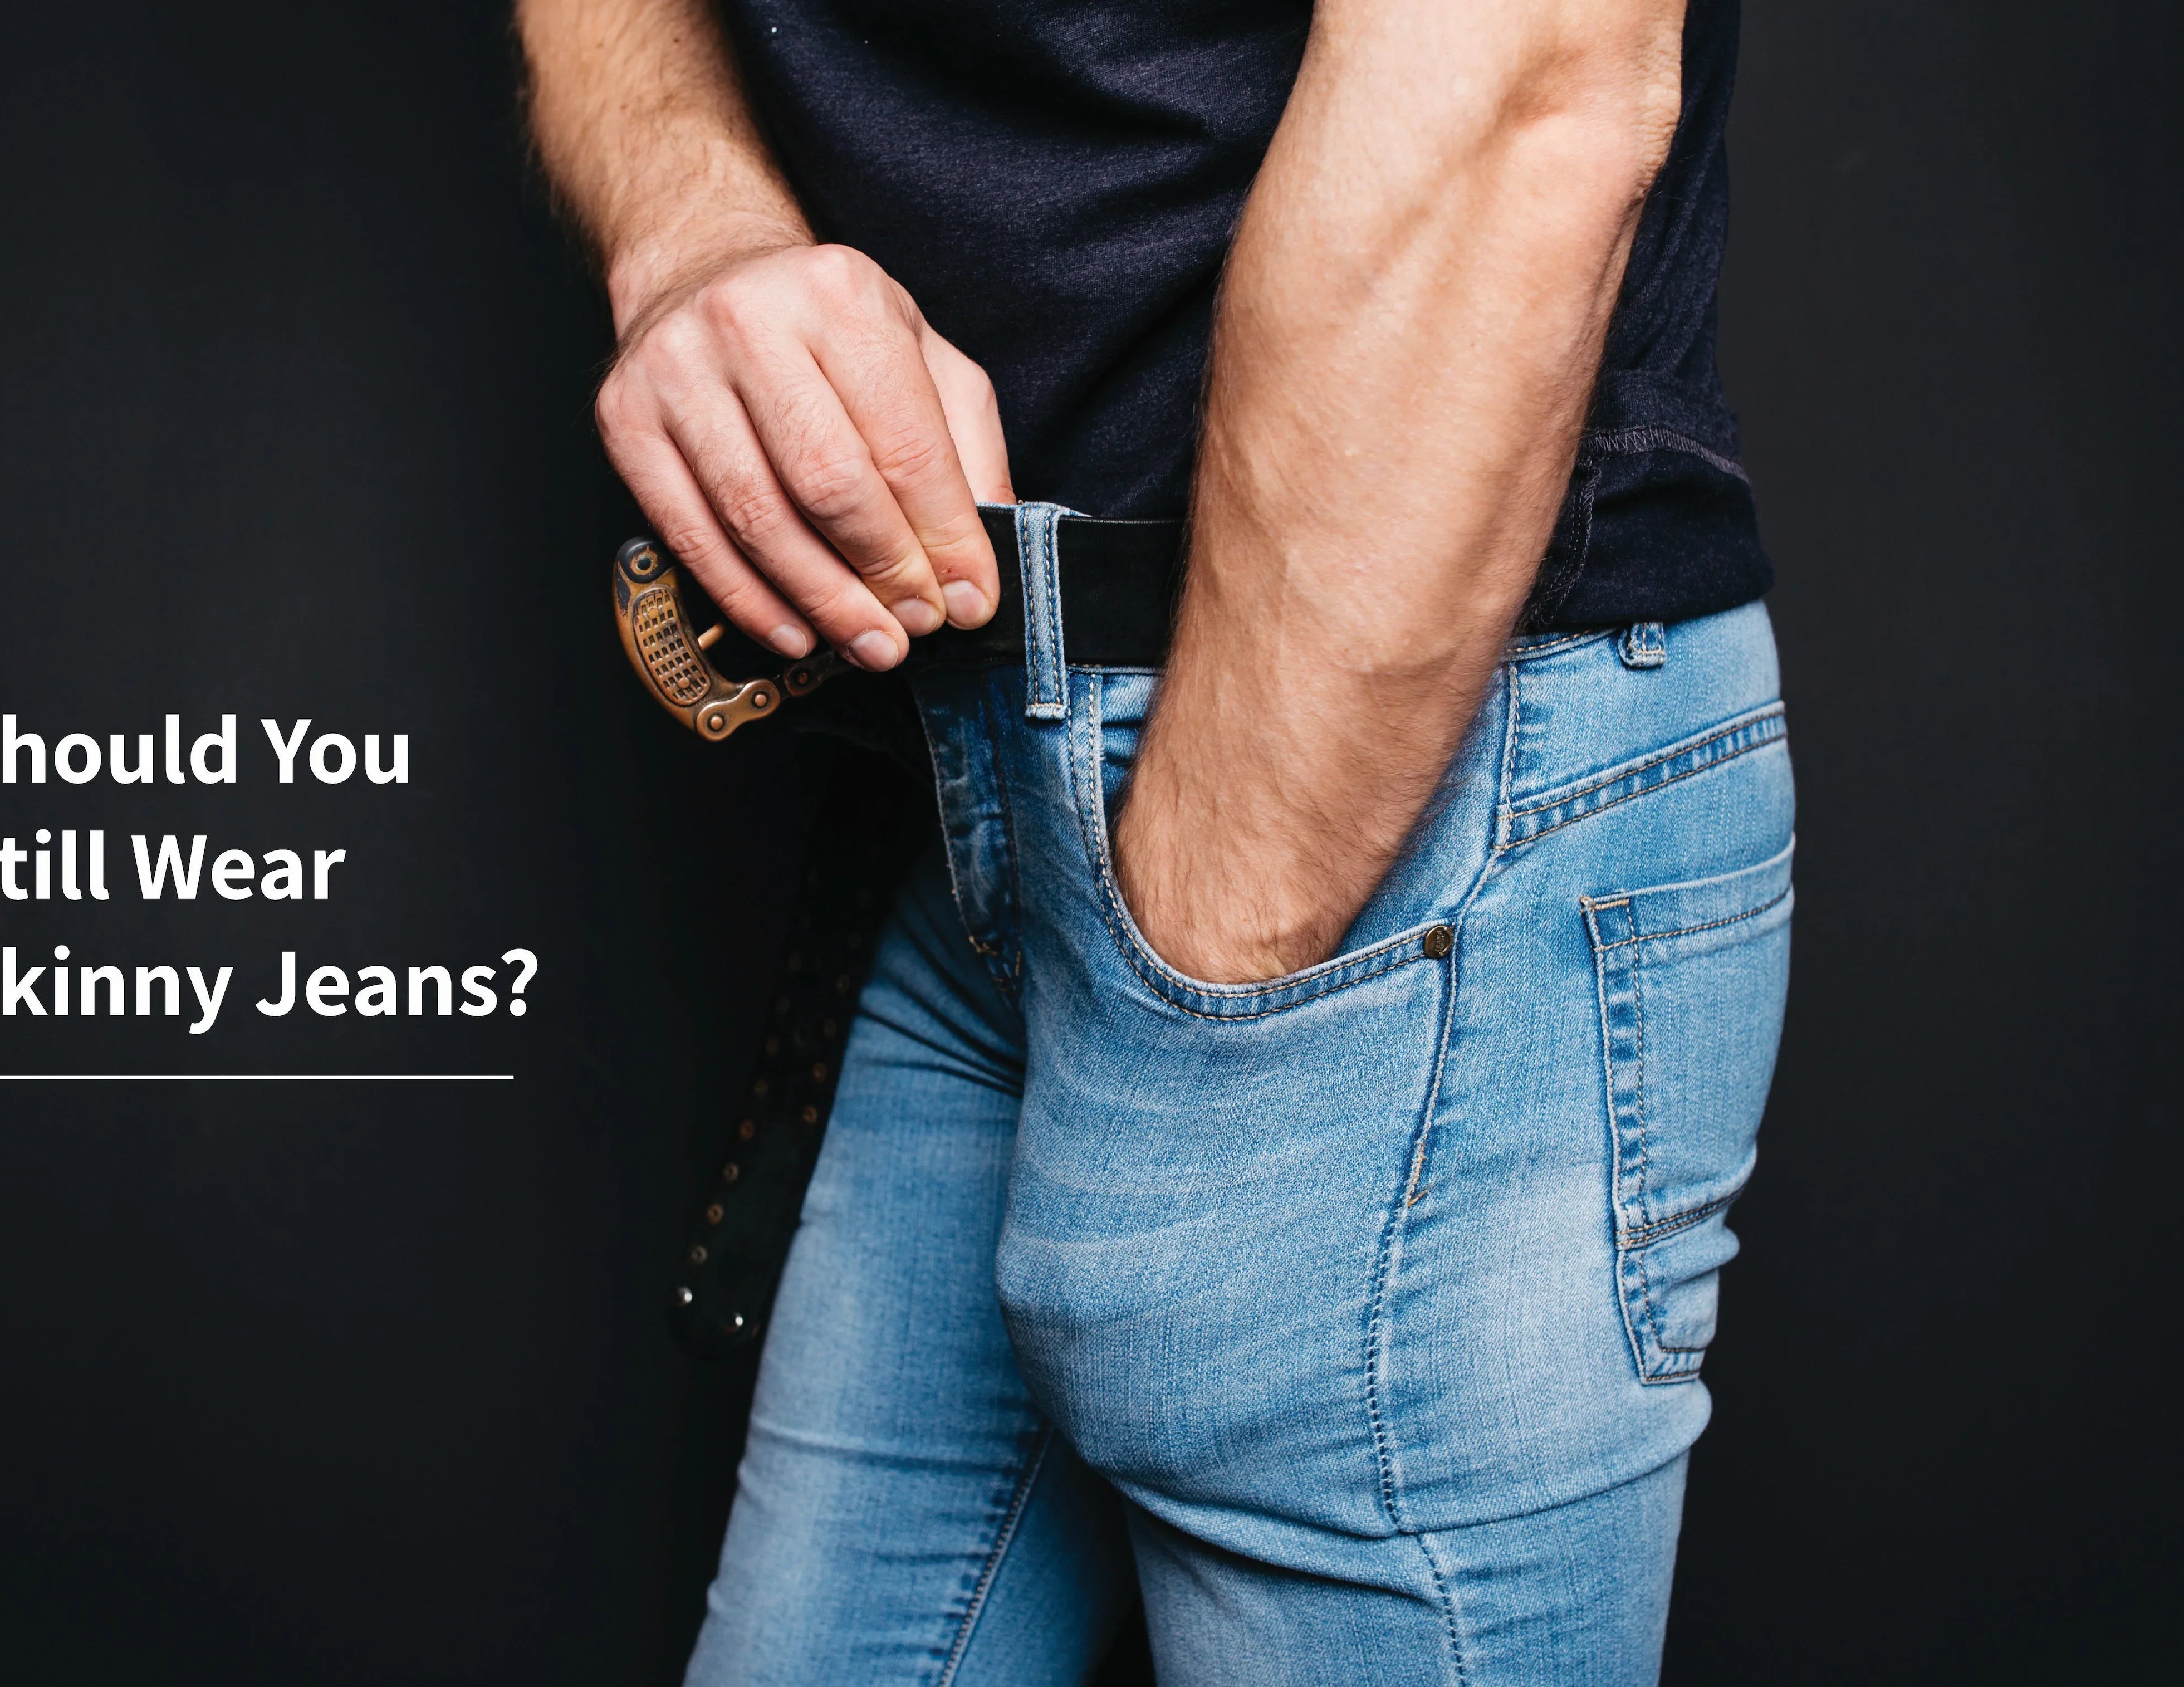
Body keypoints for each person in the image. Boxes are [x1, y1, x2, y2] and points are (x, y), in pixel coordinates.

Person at [521, 0, 1793, 1679]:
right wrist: (697, 226)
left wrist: (1196, 968)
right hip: (975, 772)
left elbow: (1523, 71)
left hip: (1392, 820)